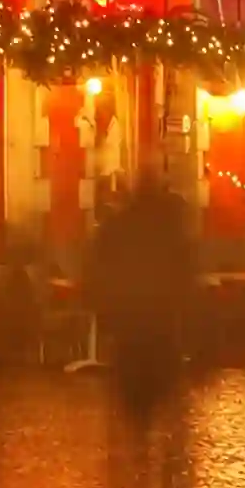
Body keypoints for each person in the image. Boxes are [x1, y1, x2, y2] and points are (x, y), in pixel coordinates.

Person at [85, 175, 199, 423]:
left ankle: (137, 446)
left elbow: (97, 269)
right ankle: (166, 449)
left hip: (132, 326)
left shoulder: (118, 226)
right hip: (158, 325)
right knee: (168, 398)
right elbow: (186, 273)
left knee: (135, 404)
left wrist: (104, 307)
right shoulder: (168, 230)